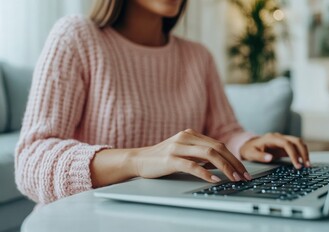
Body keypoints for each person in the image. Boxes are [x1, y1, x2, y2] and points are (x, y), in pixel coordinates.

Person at [15, 0, 310, 205]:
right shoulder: (76, 37)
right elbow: (30, 160)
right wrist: (138, 160)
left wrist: (248, 143)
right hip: (86, 222)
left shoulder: (198, 57)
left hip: (174, 218)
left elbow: (223, 131)